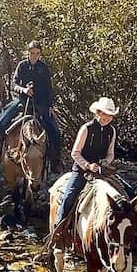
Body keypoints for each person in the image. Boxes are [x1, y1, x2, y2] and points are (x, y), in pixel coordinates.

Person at [49, 97, 119, 242]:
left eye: (110, 115)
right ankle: (58, 228)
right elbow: (75, 153)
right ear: (97, 113)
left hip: (101, 170)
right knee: (69, 195)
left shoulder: (111, 131)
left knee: (126, 192)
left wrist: (105, 163)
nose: (107, 117)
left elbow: (110, 154)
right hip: (81, 169)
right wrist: (87, 165)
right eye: (105, 114)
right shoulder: (86, 128)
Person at [0, 40, 61, 165]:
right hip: (22, 101)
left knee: (54, 130)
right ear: (28, 53)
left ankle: (55, 160)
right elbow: (14, 84)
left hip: (40, 103)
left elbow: (49, 88)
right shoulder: (22, 65)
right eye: (32, 53)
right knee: (2, 121)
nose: (34, 55)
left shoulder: (43, 68)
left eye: (37, 53)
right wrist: (24, 90)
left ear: (40, 54)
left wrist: (50, 105)